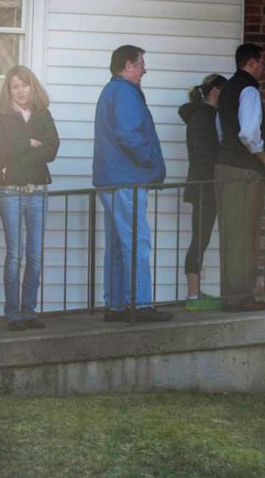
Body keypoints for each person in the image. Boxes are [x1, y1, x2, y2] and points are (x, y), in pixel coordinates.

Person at [93, 44, 172, 323]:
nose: (144, 69)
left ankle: (115, 306)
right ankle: (139, 304)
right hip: (127, 180)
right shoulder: (125, 93)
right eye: (140, 64)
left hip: (111, 179)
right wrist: (151, 163)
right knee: (137, 242)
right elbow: (130, 135)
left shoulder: (110, 91)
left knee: (117, 245)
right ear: (128, 66)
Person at [0, 66, 59, 331]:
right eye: (15, 86)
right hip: (11, 192)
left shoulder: (42, 113)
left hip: (38, 191)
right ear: (8, 90)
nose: (20, 90)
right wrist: (29, 143)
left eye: (25, 85)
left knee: (36, 255)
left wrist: (20, 152)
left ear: (33, 87)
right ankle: (13, 313)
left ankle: (29, 311)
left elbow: (52, 149)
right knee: (15, 254)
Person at [215, 43, 265, 311]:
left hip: (224, 168)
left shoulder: (227, 88)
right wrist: (263, 159)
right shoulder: (248, 89)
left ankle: (230, 293)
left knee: (230, 232)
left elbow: (220, 130)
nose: (263, 67)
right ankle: (241, 296)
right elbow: (248, 133)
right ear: (251, 63)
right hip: (243, 170)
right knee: (244, 233)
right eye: (261, 62)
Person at [179, 73, 227, 310]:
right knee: (200, 239)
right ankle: (193, 296)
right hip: (204, 187)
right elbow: (204, 156)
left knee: (202, 238)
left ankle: (196, 294)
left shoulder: (206, 117)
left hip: (206, 186)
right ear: (216, 91)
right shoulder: (202, 118)